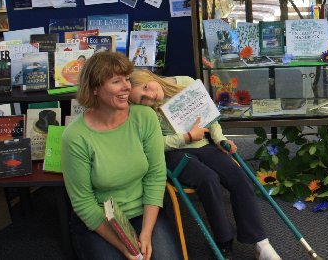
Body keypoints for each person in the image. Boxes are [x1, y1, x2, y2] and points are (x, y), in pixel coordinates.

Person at [128, 70, 281, 260]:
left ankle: (261, 243)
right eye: (142, 98)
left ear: (149, 77)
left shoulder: (185, 81)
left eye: (145, 87)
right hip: (173, 153)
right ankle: (223, 241)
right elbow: (153, 145)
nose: (149, 96)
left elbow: (209, 116)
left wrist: (219, 140)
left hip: (203, 144)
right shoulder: (141, 111)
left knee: (239, 176)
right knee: (208, 179)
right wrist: (186, 137)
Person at [61, 52, 180, 260]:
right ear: (95, 89)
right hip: (101, 220)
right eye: (117, 81)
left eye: (127, 78)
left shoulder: (145, 117)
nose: (127, 86)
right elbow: (83, 202)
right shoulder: (75, 137)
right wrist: (125, 245)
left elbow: (155, 176)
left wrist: (146, 232)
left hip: (144, 212)